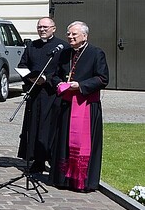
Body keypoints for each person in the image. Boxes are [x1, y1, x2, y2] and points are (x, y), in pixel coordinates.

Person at [51, 21, 108, 192]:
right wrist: (59, 83)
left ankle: (82, 181)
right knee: (64, 143)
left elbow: (102, 78)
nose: (70, 37)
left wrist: (80, 85)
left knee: (83, 143)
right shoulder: (64, 53)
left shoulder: (96, 53)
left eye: (74, 34)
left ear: (85, 36)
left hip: (86, 106)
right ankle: (63, 179)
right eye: (69, 34)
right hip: (67, 105)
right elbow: (55, 75)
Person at [17, 17, 66, 173]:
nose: (42, 29)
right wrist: (29, 77)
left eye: (45, 27)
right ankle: (36, 160)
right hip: (34, 92)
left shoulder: (62, 47)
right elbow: (23, 64)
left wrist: (47, 79)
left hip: (51, 94)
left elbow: (64, 71)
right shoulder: (32, 46)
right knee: (34, 127)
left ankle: (51, 158)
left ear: (54, 28)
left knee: (49, 128)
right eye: (39, 27)